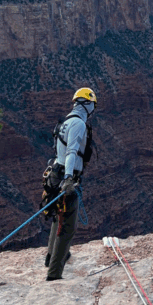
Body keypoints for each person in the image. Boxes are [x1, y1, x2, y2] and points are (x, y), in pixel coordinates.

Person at [45, 87, 97, 281]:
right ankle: (54, 274)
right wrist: (68, 179)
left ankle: (53, 256)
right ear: (87, 104)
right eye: (92, 104)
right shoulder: (79, 124)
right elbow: (72, 152)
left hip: (55, 173)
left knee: (57, 217)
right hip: (66, 177)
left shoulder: (66, 121)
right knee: (67, 226)